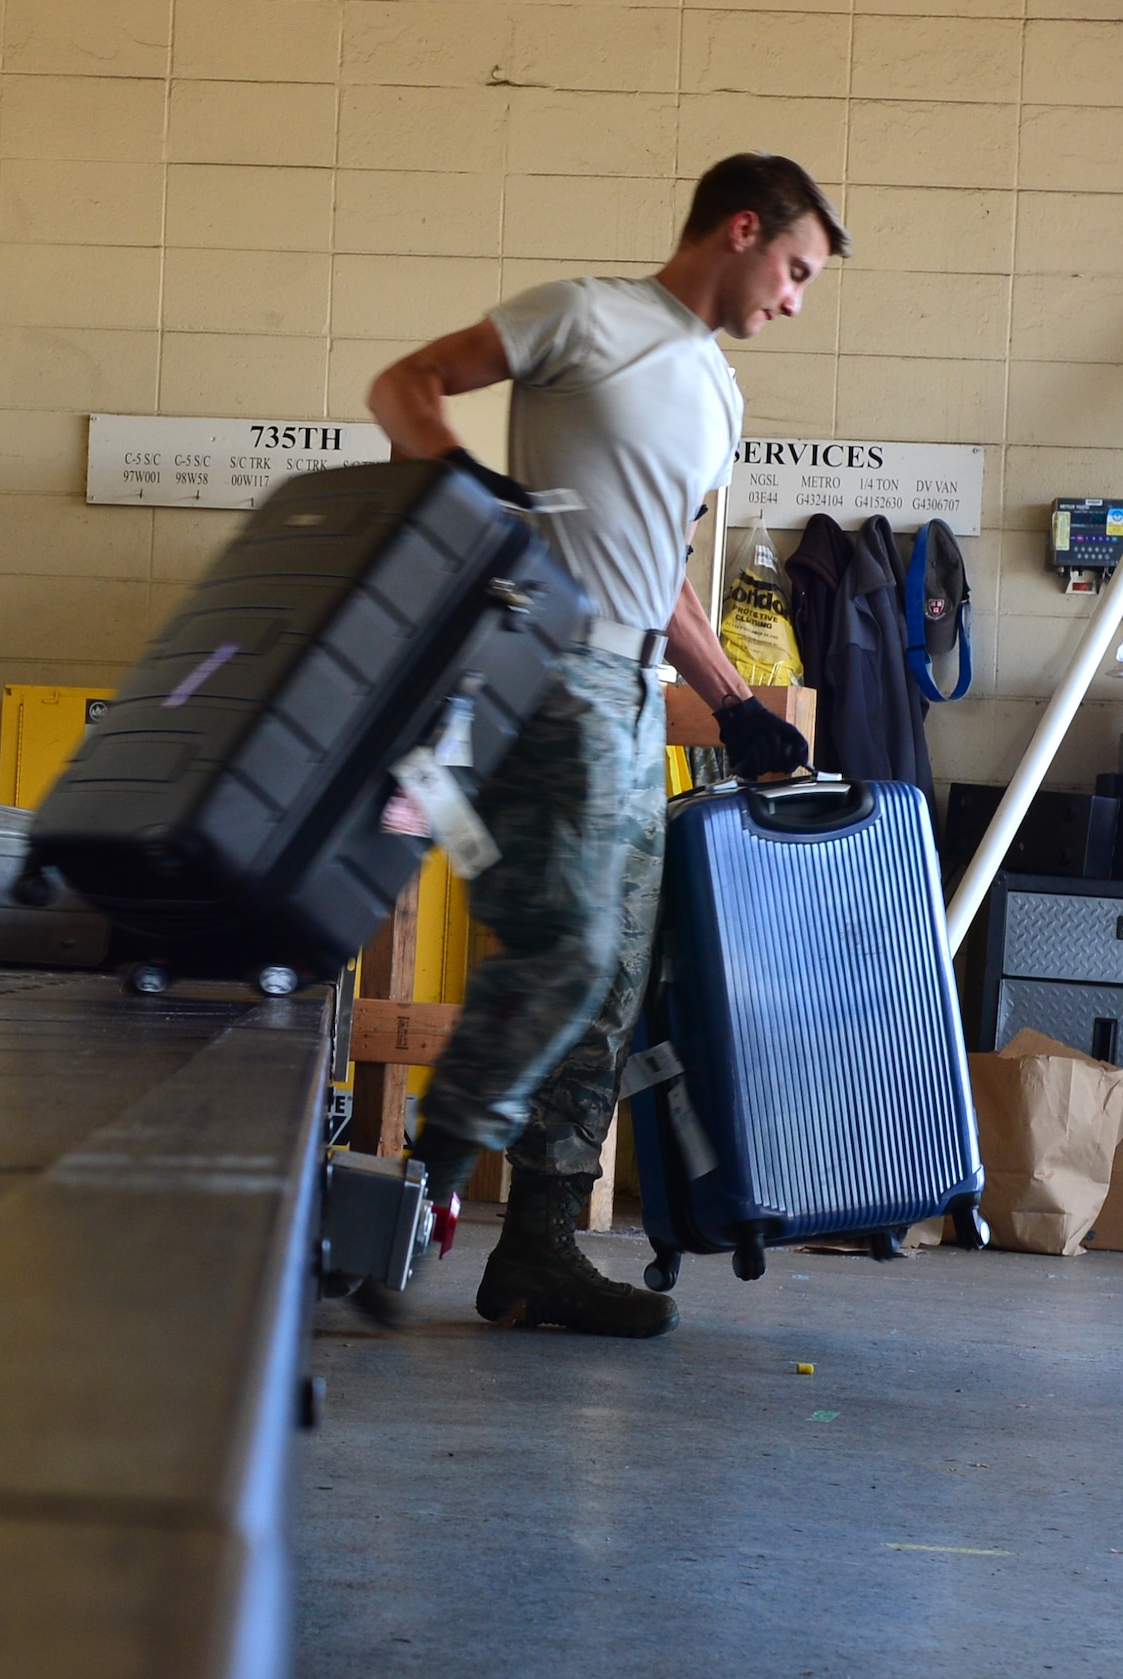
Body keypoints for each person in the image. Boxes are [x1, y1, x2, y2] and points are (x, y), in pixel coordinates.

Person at [366, 153, 850, 1337]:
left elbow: (661, 570)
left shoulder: (719, 394)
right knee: (566, 947)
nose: (794, 300)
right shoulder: (587, 315)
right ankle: (418, 1188)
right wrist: (463, 485)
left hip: (634, 696)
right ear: (740, 229)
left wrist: (731, 699)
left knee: (607, 980)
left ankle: (532, 1252)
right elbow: (404, 384)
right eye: (794, 270)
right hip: (547, 671)